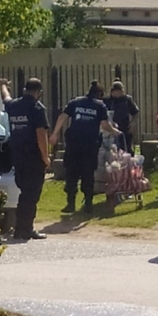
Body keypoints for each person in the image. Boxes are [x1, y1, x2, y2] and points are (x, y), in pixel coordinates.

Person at [50, 80, 119, 215]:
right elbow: (105, 125)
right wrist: (114, 131)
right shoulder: (100, 105)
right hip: (90, 144)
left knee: (72, 173)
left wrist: (55, 133)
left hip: (73, 143)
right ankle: (88, 204)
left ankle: (70, 203)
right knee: (88, 173)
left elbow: (63, 117)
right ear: (99, 94)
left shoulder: (76, 102)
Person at [0, 78, 51, 241]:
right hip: (33, 157)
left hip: (17, 156)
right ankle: (25, 229)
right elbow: (41, 135)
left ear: (24, 90)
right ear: (38, 92)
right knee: (31, 194)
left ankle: (20, 228)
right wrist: (45, 156)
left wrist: (2, 86)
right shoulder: (37, 108)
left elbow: (5, 98)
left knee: (24, 192)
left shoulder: (14, 105)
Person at [105, 80, 139, 155]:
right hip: (111, 129)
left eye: (120, 91)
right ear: (112, 91)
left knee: (126, 149)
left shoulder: (127, 100)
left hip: (125, 127)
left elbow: (135, 112)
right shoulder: (107, 101)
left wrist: (133, 123)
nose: (118, 94)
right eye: (116, 92)